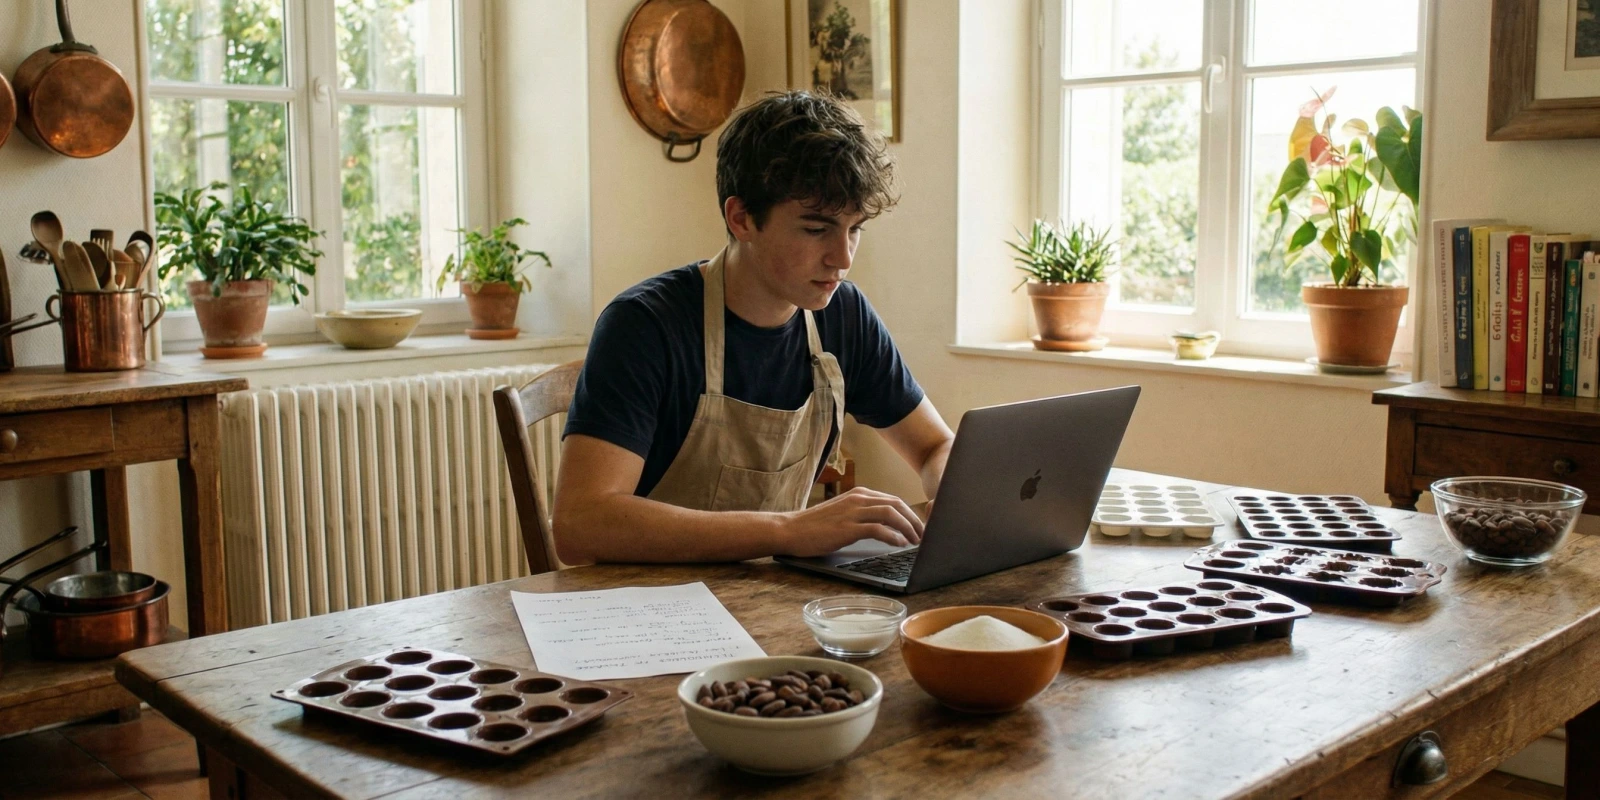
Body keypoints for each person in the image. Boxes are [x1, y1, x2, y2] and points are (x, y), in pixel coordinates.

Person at [552, 91, 954, 565]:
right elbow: (580, 523)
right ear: (741, 218)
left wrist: (955, 504)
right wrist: (786, 530)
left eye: (855, 229)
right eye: (815, 229)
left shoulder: (843, 315)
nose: (842, 259)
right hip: (647, 611)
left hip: (774, 598)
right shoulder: (644, 326)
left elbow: (936, 447)